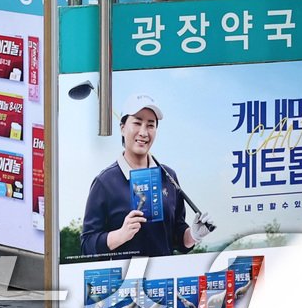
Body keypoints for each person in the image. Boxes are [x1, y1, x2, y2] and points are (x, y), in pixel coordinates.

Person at [80, 95, 211, 259]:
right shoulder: (104, 182)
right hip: (123, 281)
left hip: (165, 278)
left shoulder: (168, 176)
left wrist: (193, 235)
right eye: (137, 122)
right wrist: (120, 235)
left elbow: (177, 239)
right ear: (122, 127)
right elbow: (87, 246)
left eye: (151, 125)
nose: (143, 132)